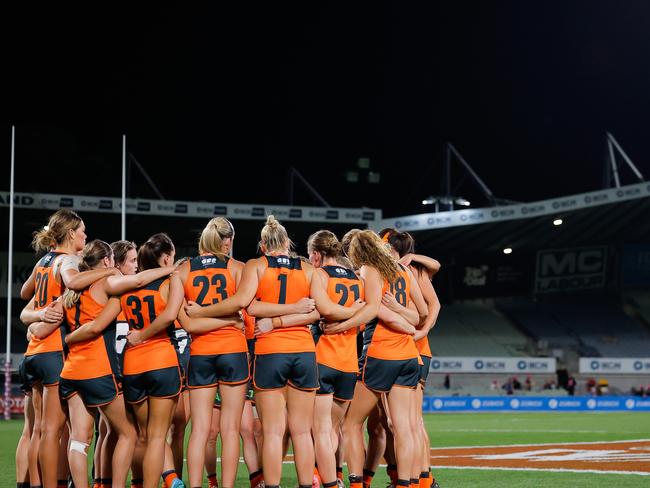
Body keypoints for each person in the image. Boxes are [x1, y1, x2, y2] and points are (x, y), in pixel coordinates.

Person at [186, 215, 355, 488]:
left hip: (270, 352)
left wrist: (202, 311)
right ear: (287, 243)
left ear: (263, 245)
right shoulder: (308, 270)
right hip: (303, 352)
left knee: (273, 432)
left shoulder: (256, 265)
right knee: (301, 432)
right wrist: (356, 310)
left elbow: (247, 305)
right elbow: (319, 310)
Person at [42, 239, 174, 488]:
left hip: (71, 371)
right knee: (129, 432)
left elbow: (41, 326)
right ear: (106, 261)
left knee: (80, 439)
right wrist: (169, 269)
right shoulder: (107, 283)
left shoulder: (70, 291)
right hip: (98, 368)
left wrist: (57, 335)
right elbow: (134, 284)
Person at [19, 209, 112, 488]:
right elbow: (72, 281)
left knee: (35, 430)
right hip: (53, 351)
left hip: (33, 351)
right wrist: (107, 269)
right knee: (52, 430)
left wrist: (39, 310)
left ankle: (32, 484)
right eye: (82, 230)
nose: (85, 234)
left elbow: (26, 292)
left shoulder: (44, 261)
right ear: (71, 234)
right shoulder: (67, 259)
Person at [330, 230, 427, 488]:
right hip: (408, 355)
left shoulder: (369, 270)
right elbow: (421, 313)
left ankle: (357, 483)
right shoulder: (403, 271)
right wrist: (402, 315)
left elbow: (372, 309)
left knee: (351, 424)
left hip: (380, 353)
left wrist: (343, 325)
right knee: (404, 427)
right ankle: (407, 484)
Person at [175, 217, 251, 488]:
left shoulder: (183, 270)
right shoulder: (238, 268)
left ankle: (196, 484)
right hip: (233, 349)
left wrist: (204, 316)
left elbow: (188, 323)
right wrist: (230, 321)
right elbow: (243, 310)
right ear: (227, 241)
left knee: (200, 430)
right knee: (230, 430)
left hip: (200, 353)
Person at [121, 233, 185, 488]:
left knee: (143, 436)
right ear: (167, 258)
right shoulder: (171, 280)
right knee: (158, 438)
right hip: (161, 359)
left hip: (133, 365)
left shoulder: (126, 285)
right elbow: (171, 315)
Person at [307, 230, 365, 488]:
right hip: (348, 362)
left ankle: (327, 482)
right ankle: (332, 478)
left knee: (319, 430)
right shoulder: (356, 278)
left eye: (310, 254)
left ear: (317, 254)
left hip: (324, 356)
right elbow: (363, 319)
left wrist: (336, 317)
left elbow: (324, 309)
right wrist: (351, 313)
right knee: (332, 429)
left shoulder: (318, 275)